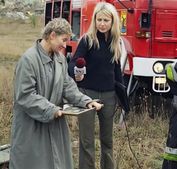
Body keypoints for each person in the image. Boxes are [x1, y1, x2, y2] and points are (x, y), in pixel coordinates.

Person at [9, 18, 103, 169]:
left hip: (54, 124)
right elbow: (25, 95)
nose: (65, 45)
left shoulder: (60, 59)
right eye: (63, 40)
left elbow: (67, 86)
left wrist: (86, 101)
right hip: (31, 126)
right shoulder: (28, 60)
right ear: (52, 35)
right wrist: (51, 110)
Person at [68, 2, 124, 169]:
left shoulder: (116, 42)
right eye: (99, 19)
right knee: (87, 141)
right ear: (94, 20)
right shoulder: (88, 40)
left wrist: (122, 97)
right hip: (87, 94)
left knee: (107, 141)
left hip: (109, 96)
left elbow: (117, 72)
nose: (102, 23)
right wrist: (77, 70)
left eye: (106, 20)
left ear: (113, 21)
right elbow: (71, 65)